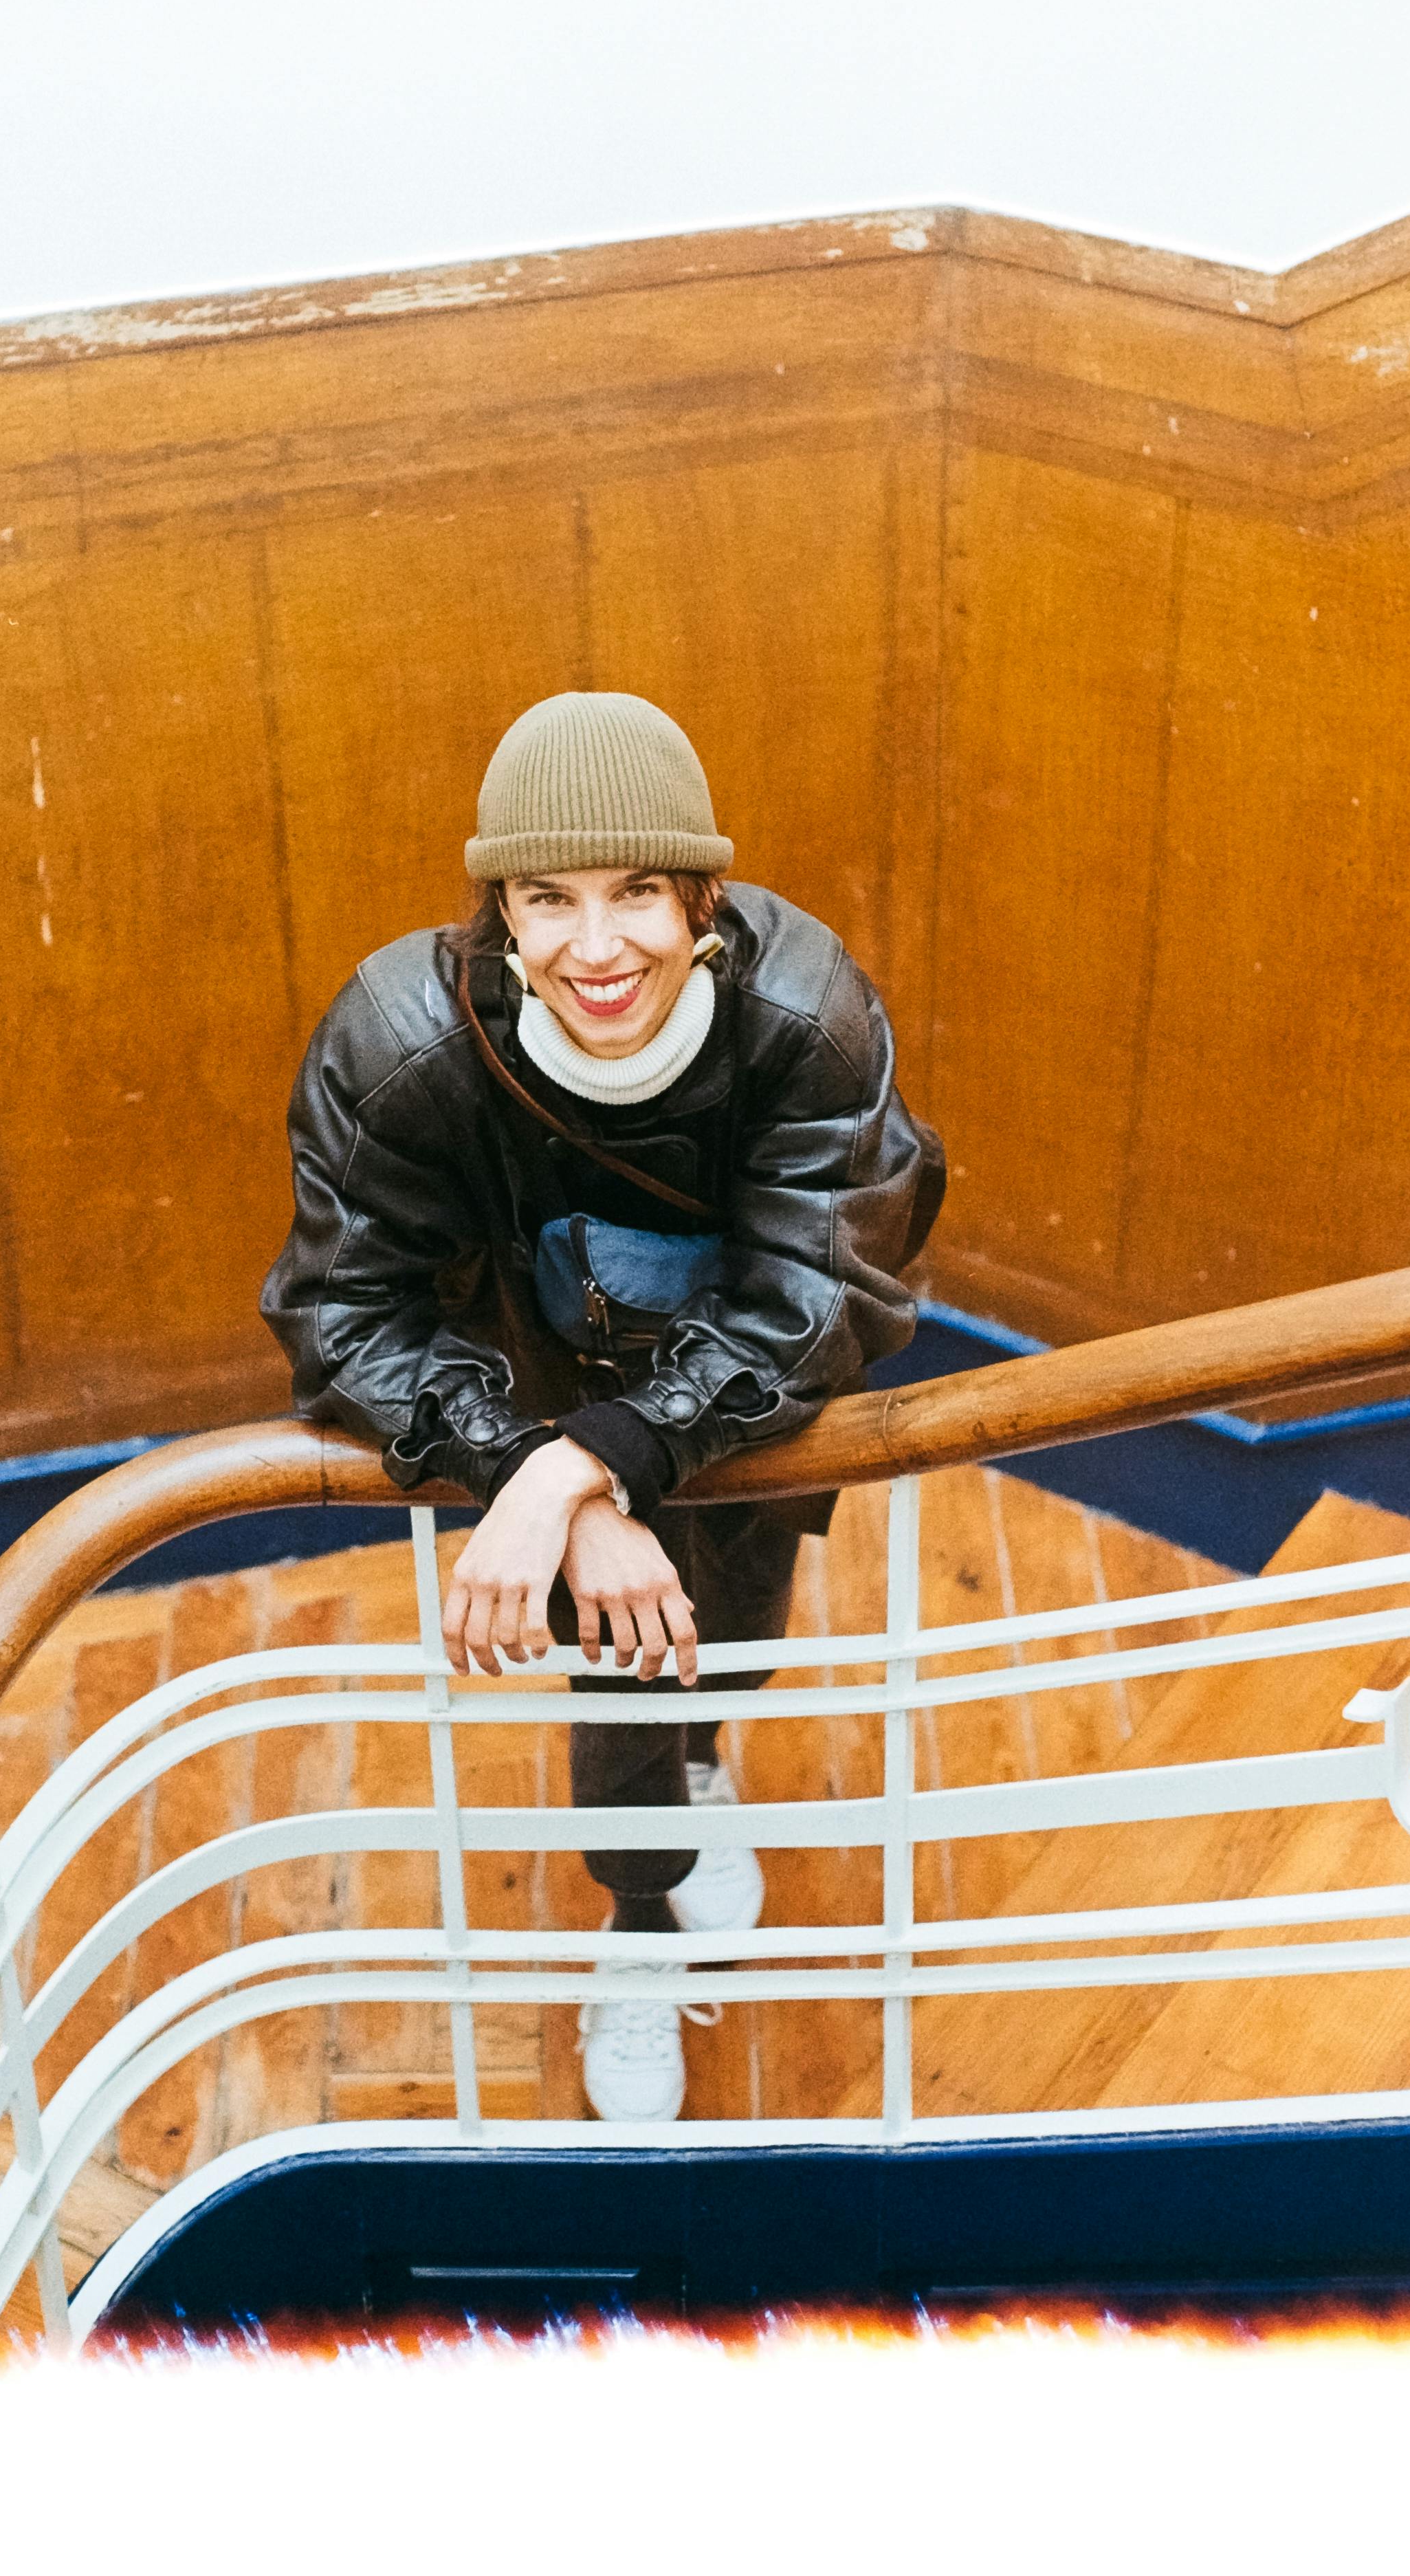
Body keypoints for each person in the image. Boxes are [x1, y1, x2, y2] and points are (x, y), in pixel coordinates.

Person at [261, 691, 943, 2118]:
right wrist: (541, 1474)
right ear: (498, 911)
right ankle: (637, 1928)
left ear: (703, 897)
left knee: (736, 1629)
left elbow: (832, 1279)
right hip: (538, 1397)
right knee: (622, 1662)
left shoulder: (805, 1017)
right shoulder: (400, 1048)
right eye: (548, 896)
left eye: (638, 890)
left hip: (757, 1414)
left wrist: (599, 1459)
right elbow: (340, 1313)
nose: (596, 944)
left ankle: (704, 1777)